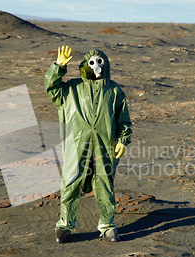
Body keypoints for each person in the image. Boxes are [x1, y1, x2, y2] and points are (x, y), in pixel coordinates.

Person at [44, 46, 132, 243]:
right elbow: (51, 88)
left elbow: (123, 120)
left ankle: (108, 226)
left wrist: (122, 141)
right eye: (91, 62)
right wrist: (58, 67)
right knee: (71, 183)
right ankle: (65, 226)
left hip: (104, 147)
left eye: (99, 62)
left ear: (106, 65)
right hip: (76, 146)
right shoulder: (71, 89)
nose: (96, 66)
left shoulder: (114, 91)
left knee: (105, 185)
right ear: (85, 65)